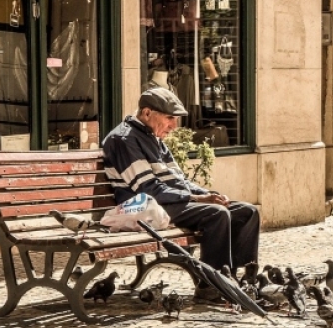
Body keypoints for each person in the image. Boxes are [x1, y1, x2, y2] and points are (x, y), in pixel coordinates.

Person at [102, 87, 260, 303]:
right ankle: (210, 286)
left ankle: (240, 280)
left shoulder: (153, 137)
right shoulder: (124, 139)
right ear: (147, 113)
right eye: (169, 118)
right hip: (143, 208)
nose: (174, 126)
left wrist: (207, 193)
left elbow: (178, 180)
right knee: (216, 214)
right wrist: (198, 199)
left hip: (164, 203)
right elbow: (147, 188)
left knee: (247, 212)